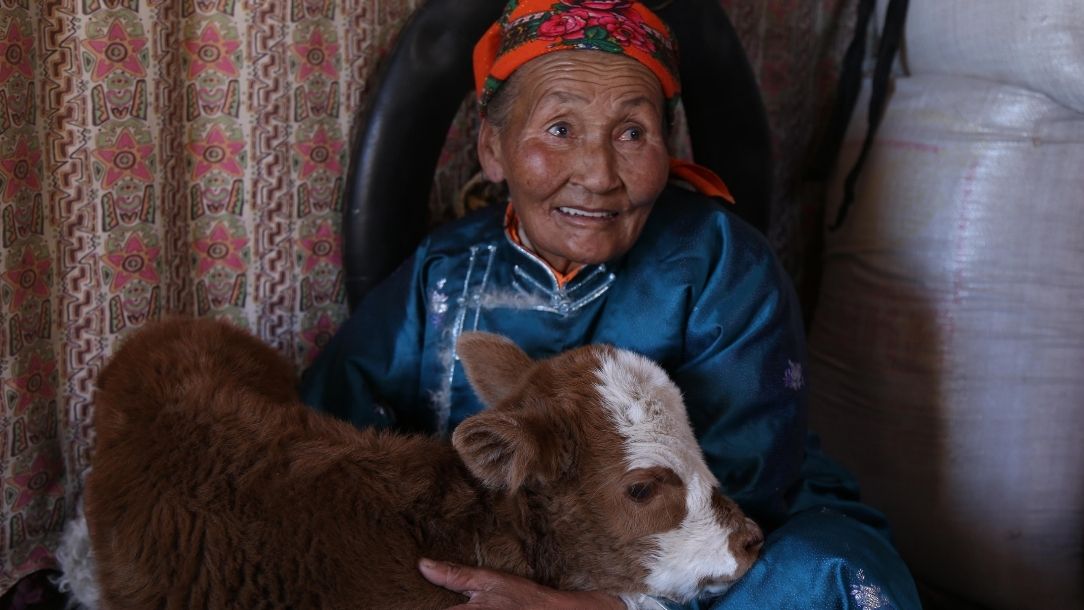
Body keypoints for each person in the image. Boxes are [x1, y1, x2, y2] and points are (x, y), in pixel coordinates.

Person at [300, 0, 921, 608]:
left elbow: (748, 485)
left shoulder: (722, 261)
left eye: (631, 132)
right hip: (505, 550)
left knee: (829, 577)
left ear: (666, 147)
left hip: (725, 543)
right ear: (494, 148)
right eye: (561, 129)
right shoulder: (444, 273)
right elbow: (336, 421)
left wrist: (607, 602)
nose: (598, 174)